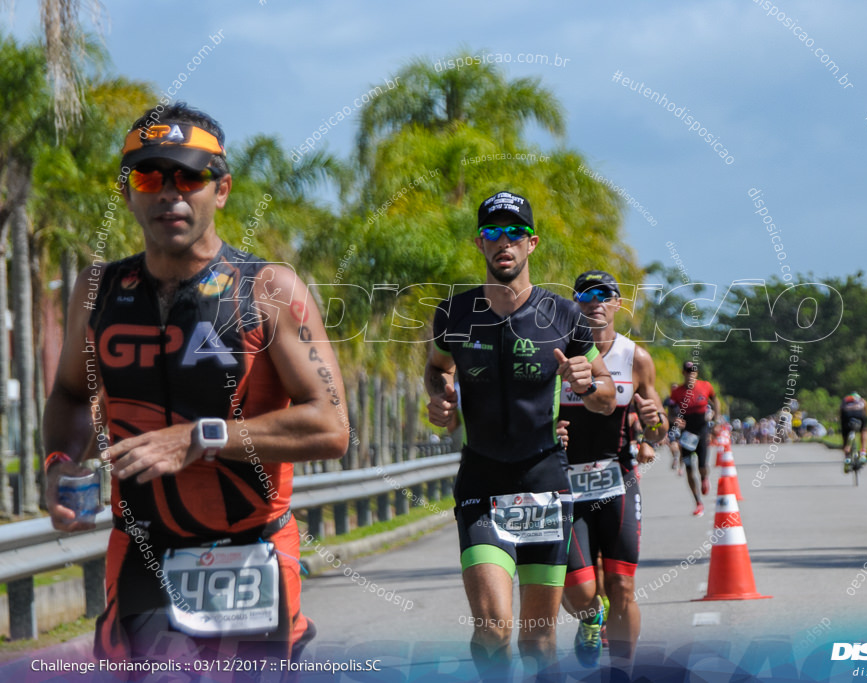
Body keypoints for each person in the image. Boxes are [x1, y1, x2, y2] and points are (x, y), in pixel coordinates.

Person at [43, 103, 349, 670]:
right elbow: (68, 393)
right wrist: (60, 462)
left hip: (251, 550)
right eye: (148, 176)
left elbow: (330, 426)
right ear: (128, 191)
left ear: (222, 188)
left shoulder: (269, 289)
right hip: (141, 550)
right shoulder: (99, 290)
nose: (169, 193)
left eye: (189, 176)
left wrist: (201, 437)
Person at [424, 190, 616, 681]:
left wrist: (587, 381)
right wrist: (442, 394)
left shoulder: (564, 317)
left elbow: (607, 396)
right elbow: (436, 368)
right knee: (492, 628)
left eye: (513, 234)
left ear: (531, 243)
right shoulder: (454, 314)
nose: (502, 242)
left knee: (537, 639)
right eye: (492, 233)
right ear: (479, 242)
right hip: (482, 482)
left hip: (545, 482)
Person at [558, 270, 666, 672]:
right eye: (585, 295)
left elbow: (658, 429)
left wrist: (655, 424)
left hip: (616, 480)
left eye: (605, 295)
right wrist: (550, 429)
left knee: (621, 584)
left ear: (618, 304)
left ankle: (623, 672)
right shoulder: (558, 352)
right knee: (581, 590)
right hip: (564, 486)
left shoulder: (635, 357)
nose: (595, 302)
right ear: (575, 304)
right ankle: (590, 618)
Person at [668, 361, 720, 516]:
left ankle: (704, 477)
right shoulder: (677, 392)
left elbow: (715, 400)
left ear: (696, 374)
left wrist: (716, 420)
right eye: (688, 371)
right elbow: (670, 412)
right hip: (687, 433)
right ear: (683, 373)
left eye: (693, 371)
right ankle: (698, 502)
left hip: (702, 430)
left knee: (702, 466)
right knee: (689, 468)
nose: (691, 374)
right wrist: (675, 420)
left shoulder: (705, 386)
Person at [840, 392, 867, 473]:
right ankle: (863, 452)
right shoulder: (861, 400)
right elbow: (865, 410)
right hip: (859, 413)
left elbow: (840, 411)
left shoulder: (845, 400)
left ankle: (847, 454)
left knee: (845, 434)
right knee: (864, 430)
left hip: (846, 414)